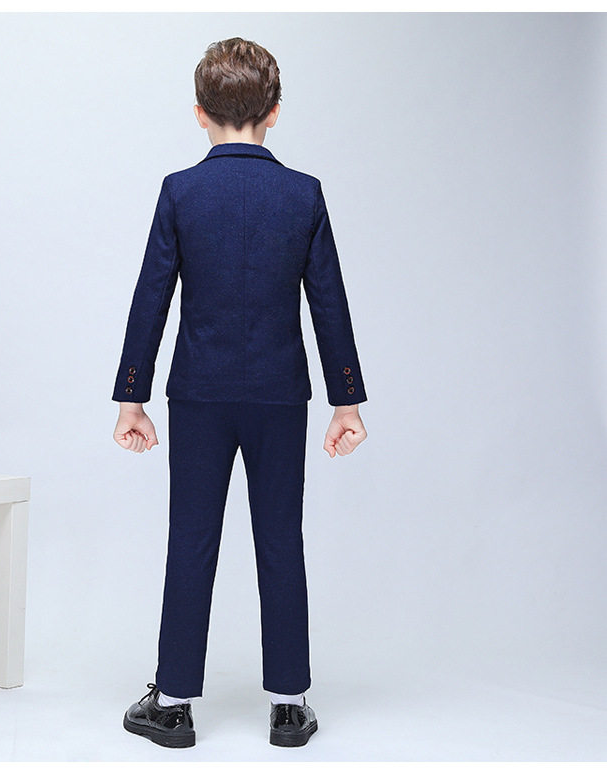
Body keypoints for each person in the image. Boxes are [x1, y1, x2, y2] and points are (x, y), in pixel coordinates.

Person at [112, 36, 368, 749]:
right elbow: (329, 302)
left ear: (199, 113)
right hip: (281, 395)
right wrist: (346, 402)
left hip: (199, 393)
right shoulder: (303, 194)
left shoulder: (180, 191)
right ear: (274, 112)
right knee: (281, 539)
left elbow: (151, 299)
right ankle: (289, 704)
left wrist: (132, 397)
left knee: (191, 538)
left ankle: (172, 704)